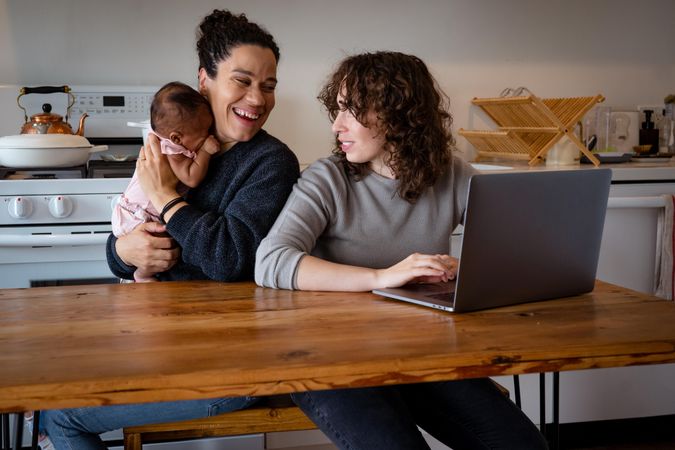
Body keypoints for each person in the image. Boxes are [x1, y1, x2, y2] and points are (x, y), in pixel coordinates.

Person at [255, 51, 548, 449]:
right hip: (330, 358)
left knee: (522, 445)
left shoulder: (452, 174)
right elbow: (271, 260)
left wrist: (465, 266)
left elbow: (518, 247)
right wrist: (382, 277)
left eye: (351, 110)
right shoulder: (327, 178)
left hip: (422, 354)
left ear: (398, 114)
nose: (337, 124)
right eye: (337, 109)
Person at [40, 9, 299, 450]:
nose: (257, 99)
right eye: (242, 80)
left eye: (268, 85)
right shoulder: (167, 144)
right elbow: (126, 234)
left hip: (226, 364)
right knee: (45, 392)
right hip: (166, 341)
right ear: (205, 81)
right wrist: (126, 251)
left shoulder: (270, 163)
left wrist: (167, 199)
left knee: (62, 416)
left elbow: (229, 258)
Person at [112, 81, 219, 282]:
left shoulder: (166, 144)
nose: (208, 135)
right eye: (204, 132)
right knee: (159, 244)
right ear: (177, 138)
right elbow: (192, 177)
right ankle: (142, 275)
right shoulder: (171, 151)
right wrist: (206, 151)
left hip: (133, 211)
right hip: (140, 215)